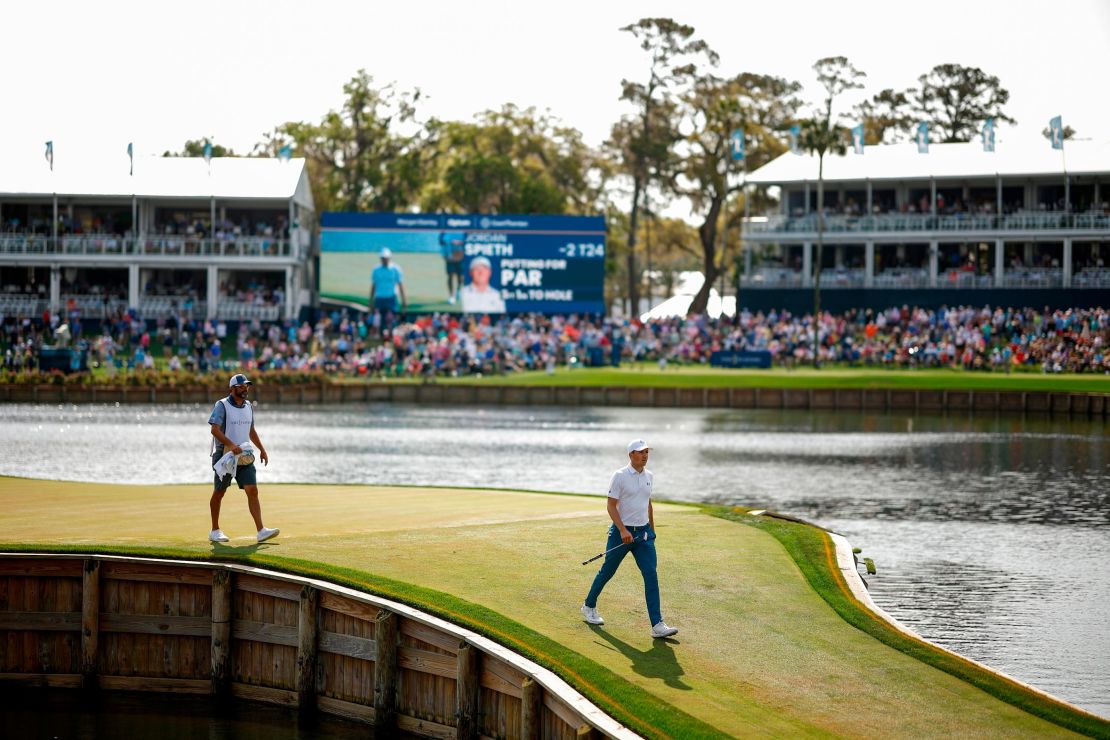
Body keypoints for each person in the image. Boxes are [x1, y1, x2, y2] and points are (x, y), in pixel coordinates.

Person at [581, 439, 678, 638]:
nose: (645, 456)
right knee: (608, 571)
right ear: (631, 455)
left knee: (651, 574)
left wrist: (651, 530)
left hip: (643, 535)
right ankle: (588, 606)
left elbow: (647, 503)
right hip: (621, 534)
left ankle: (657, 624)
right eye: (641, 452)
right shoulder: (619, 476)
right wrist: (623, 530)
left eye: (647, 452)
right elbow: (610, 505)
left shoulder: (649, 476)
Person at [207, 373, 279, 544]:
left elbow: (251, 431)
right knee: (219, 492)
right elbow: (214, 430)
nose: (245, 389)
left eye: (246, 386)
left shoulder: (248, 406)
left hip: (244, 455)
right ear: (232, 388)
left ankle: (261, 531)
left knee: (252, 490)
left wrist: (262, 449)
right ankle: (214, 530)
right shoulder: (222, 405)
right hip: (224, 454)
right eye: (241, 386)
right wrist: (231, 445)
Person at [369, 247, 406, 321]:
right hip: (379, 299)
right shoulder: (376, 270)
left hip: (391, 299)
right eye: (382, 258)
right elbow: (373, 286)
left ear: (389, 258)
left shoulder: (396, 269)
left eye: (386, 258)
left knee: (391, 321)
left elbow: (400, 286)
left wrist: (404, 301)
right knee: (377, 321)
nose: (384, 260)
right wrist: (371, 302)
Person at [439, 232, 466, 304]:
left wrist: (458, 243)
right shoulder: (444, 231)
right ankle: (451, 296)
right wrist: (444, 254)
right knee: (450, 276)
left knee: (460, 277)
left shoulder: (464, 230)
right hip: (449, 257)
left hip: (461, 257)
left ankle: (458, 290)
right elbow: (441, 242)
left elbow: (468, 241)